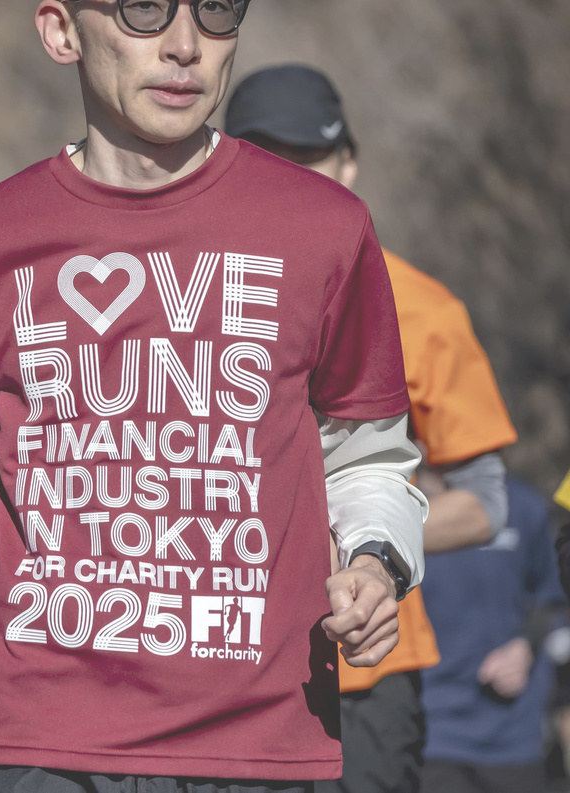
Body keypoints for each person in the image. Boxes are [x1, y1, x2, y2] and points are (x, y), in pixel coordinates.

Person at [0, 3, 430, 792]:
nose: (186, 45)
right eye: (143, 9)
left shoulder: (325, 228)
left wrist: (376, 559)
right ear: (61, 32)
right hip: (35, 737)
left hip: (259, 736)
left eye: (216, 11)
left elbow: (367, 456)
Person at [222, 64, 522, 793]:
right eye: (267, 160)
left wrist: (357, 552)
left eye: (310, 158)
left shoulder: (421, 308)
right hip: (213, 672)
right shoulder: (176, 297)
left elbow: (486, 501)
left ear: (349, 163)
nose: (292, 181)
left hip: (363, 676)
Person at [417, 475, 568, 793]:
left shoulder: (524, 506)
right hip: (430, 731)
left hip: (513, 734)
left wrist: (525, 646)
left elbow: (551, 596)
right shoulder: (397, 509)